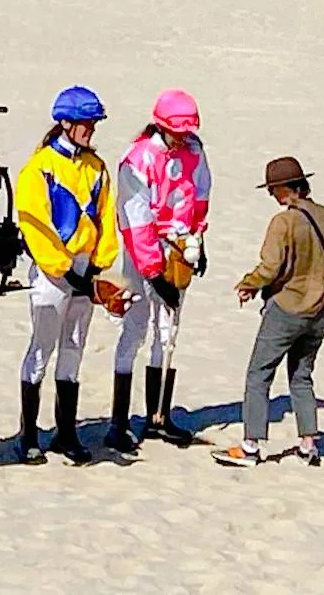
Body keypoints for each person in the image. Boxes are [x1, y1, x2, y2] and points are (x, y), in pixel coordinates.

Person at [212, 157, 324, 468]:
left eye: (273, 190)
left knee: (259, 374)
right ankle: (308, 445)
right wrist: (312, 271)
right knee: (302, 376)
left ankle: (251, 446)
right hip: (319, 308)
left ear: (285, 189)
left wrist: (249, 284)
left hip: (287, 308)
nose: (272, 195)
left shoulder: (283, 222)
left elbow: (270, 267)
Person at [15, 86, 120, 465]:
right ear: (65, 122)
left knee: (73, 348)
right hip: (51, 271)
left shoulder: (96, 168)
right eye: (86, 123)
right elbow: (34, 222)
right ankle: (28, 435)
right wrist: (62, 269)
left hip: (84, 268)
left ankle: (66, 432)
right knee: (42, 348)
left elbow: (108, 217)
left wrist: (97, 265)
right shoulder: (39, 167)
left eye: (94, 123)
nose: (92, 129)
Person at [105, 89, 212, 453]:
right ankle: (118, 423)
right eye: (176, 130)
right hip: (142, 250)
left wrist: (197, 242)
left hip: (179, 246)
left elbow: (199, 197)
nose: (183, 136)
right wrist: (153, 273)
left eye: (186, 130)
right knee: (135, 327)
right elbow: (136, 220)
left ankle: (158, 416)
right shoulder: (136, 159)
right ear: (162, 125)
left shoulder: (194, 151)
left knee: (168, 332)